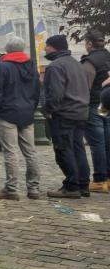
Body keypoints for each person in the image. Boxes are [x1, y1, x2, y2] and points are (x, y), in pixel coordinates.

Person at [0, 38, 41, 200]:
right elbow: (37, 89)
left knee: (10, 152)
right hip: (27, 113)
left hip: (7, 113)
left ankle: (11, 189)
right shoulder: (32, 66)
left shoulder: (3, 66)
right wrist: (32, 107)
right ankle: (33, 188)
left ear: (8, 49)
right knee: (30, 152)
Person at [43, 35, 90, 198]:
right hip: (81, 112)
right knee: (78, 148)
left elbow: (55, 93)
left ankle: (71, 186)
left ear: (54, 47)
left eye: (47, 46)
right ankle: (83, 184)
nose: (44, 49)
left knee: (64, 149)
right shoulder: (77, 64)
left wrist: (49, 110)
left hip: (64, 113)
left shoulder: (55, 66)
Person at [80, 30, 110, 193]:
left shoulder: (90, 62)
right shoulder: (108, 56)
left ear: (90, 43)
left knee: (97, 143)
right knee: (107, 139)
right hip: (106, 103)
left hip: (94, 104)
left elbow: (85, 87)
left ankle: (99, 179)